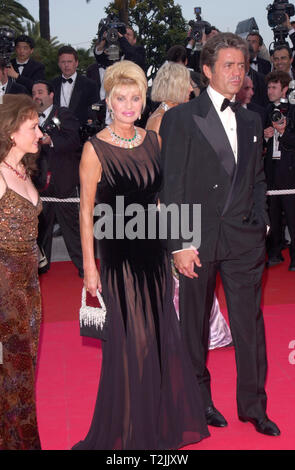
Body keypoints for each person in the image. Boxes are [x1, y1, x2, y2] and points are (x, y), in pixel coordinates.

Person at [72, 60, 209, 450]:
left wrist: (179, 244)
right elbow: (85, 213)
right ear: (109, 101)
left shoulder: (154, 142)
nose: (129, 105)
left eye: (135, 97)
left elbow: (165, 200)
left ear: (143, 100)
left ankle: (156, 425)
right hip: (119, 259)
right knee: (133, 342)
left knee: (161, 338)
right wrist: (89, 268)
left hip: (154, 257)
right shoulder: (94, 148)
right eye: (121, 98)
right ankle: (133, 431)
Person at [160, 32, 280, 436]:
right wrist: (179, 244)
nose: (237, 72)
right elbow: (171, 185)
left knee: (250, 326)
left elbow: (258, 178)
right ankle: (200, 402)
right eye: (228, 65)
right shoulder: (181, 118)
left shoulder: (252, 117)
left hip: (244, 239)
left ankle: (253, 407)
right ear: (207, 70)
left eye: (242, 65)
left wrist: (262, 220)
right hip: (197, 239)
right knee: (193, 329)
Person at [146, 61, 233, 350]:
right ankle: (195, 332)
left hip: (171, 200)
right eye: (188, 83)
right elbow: (166, 168)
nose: (193, 89)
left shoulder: (157, 115)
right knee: (187, 265)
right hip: (172, 201)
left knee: (185, 266)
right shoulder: (168, 118)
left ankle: (195, 330)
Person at [0, 94, 43, 449]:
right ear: (13, 132)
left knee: (24, 364)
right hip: (4, 284)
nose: (40, 134)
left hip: (29, 281)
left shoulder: (23, 170)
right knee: (13, 369)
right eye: (33, 127)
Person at [32, 80, 83, 277]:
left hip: (63, 184)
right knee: (41, 231)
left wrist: (51, 140)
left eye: (40, 91)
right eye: (34, 92)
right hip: (40, 186)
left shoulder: (64, 114)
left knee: (72, 230)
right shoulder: (30, 118)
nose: (37, 96)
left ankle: (84, 268)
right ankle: (41, 269)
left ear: (51, 95)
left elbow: (73, 141)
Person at [263, 71, 295, 271]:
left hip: (290, 170)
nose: (269, 91)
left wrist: (282, 132)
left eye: (274, 87)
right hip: (271, 169)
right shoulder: (264, 110)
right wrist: (266, 136)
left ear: (284, 89)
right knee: (272, 216)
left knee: (292, 217)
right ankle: (274, 253)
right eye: (268, 87)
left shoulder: (293, 111)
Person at [52, 46, 99, 127]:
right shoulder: (52, 84)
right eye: (63, 62)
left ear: (76, 63)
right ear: (59, 64)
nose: (66, 65)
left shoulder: (90, 85)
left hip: (80, 131)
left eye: (69, 61)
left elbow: (96, 107)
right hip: (56, 131)